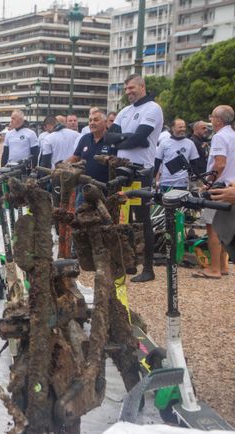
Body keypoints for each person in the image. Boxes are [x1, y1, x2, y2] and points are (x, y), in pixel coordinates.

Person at [108, 73, 164, 282]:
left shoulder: (152, 109)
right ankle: (130, 262)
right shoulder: (124, 111)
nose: (128, 92)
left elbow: (141, 138)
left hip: (142, 170)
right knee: (125, 216)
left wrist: (124, 140)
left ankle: (148, 268)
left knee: (142, 219)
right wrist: (127, 140)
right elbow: (109, 137)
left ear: (142, 86)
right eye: (126, 89)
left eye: (132, 88)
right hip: (122, 168)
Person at [197, 105, 235, 279]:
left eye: (211, 117)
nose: (210, 120)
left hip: (219, 187)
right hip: (231, 187)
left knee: (212, 229)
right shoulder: (233, 135)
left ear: (218, 120)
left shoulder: (219, 137)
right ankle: (223, 266)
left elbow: (219, 164)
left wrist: (208, 183)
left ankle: (214, 269)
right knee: (226, 227)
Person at [154, 118, 199, 190]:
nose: (183, 129)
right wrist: (154, 180)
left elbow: (194, 164)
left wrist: (193, 179)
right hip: (166, 182)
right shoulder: (164, 142)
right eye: (180, 127)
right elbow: (157, 162)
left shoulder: (190, 143)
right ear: (173, 128)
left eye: (184, 127)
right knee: (165, 201)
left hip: (182, 183)